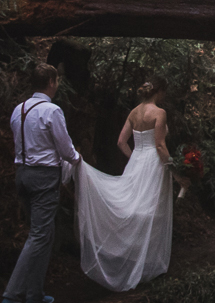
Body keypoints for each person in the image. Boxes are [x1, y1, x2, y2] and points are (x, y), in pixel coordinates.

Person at [74, 82, 179, 291]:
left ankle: (133, 258)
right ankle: (147, 263)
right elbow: (159, 144)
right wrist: (173, 167)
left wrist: (136, 159)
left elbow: (121, 142)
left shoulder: (133, 112)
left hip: (137, 161)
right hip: (154, 163)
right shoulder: (159, 112)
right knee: (152, 210)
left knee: (134, 205)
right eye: (163, 91)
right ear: (158, 92)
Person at [1, 64, 81, 303]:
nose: (57, 84)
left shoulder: (18, 109)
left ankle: (34, 295)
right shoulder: (52, 111)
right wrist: (80, 161)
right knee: (38, 235)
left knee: (44, 235)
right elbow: (66, 151)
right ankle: (12, 296)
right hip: (44, 178)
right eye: (56, 80)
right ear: (49, 82)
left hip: (22, 175)